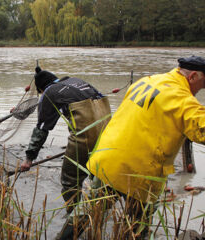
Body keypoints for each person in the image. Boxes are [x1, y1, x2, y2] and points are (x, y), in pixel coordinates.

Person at [86, 56, 205, 236]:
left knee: (84, 219)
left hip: (106, 161)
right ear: (194, 76)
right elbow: (201, 129)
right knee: (136, 228)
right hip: (140, 175)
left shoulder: (146, 81)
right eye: (203, 84)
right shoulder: (182, 97)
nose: (202, 89)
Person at [20, 66, 111, 211]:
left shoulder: (49, 92)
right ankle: (99, 210)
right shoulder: (75, 81)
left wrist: (29, 158)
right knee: (98, 174)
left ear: (42, 89)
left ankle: (73, 215)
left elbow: (42, 129)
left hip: (85, 137)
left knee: (70, 179)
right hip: (109, 135)